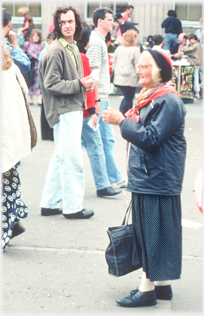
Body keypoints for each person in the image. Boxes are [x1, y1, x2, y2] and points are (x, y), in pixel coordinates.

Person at [102, 49, 186, 308]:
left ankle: (146, 289)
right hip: (152, 177)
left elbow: (151, 138)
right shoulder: (152, 96)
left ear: (158, 71)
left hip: (156, 179)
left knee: (151, 234)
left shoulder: (168, 100)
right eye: (137, 66)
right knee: (156, 233)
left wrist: (121, 122)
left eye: (144, 66)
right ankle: (162, 286)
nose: (138, 70)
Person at [38, 5, 94, 219]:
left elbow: (68, 82)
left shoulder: (70, 47)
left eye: (70, 21)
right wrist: (80, 84)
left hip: (69, 108)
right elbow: (51, 84)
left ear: (77, 23)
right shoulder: (57, 50)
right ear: (58, 25)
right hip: (64, 109)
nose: (67, 25)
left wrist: (82, 84)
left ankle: (49, 203)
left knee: (62, 157)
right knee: (72, 160)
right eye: (62, 22)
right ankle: (72, 207)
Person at [78, 23, 122, 197]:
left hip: (81, 108)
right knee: (97, 146)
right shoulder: (83, 57)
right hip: (86, 109)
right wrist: (95, 106)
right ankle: (103, 185)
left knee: (69, 151)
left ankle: (51, 199)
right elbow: (91, 81)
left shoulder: (73, 55)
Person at [86, 7, 127, 190]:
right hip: (100, 97)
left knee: (103, 140)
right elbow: (92, 72)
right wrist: (95, 101)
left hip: (101, 97)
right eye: (109, 20)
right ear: (100, 21)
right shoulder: (96, 42)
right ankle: (113, 178)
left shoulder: (98, 40)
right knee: (104, 140)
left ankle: (112, 177)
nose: (113, 22)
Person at [2, 43, 32, 252]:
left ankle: (9, 227)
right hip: (12, 140)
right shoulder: (11, 68)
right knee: (9, 185)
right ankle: (11, 222)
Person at [112, 29, 140, 114]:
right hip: (130, 78)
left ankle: (122, 114)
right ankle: (125, 115)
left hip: (119, 78)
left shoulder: (118, 49)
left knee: (126, 97)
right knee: (129, 98)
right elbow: (137, 65)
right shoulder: (135, 50)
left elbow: (114, 63)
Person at [2, 7, 30, 75]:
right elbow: (25, 65)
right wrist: (14, 43)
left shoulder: (27, 17)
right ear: (10, 24)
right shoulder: (4, 47)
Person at [38, 32, 55, 141]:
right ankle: (48, 134)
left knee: (45, 110)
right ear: (48, 40)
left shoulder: (46, 51)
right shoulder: (47, 52)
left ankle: (46, 134)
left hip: (44, 83)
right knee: (48, 110)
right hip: (47, 84)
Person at [23, 29, 44, 105]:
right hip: (30, 66)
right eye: (34, 35)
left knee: (39, 82)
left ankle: (39, 99)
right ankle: (31, 99)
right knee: (30, 81)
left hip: (38, 66)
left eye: (37, 36)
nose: (35, 37)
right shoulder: (27, 44)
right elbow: (24, 54)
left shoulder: (42, 46)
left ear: (39, 37)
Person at [178, 33, 202, 100]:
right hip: (197, 63)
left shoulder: (195, 45)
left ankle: (197, 94)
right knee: (196, 78)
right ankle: (197, 93)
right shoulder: (197, 45)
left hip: (195, 64)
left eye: (189, 40)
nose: (189, 41)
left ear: (193, 39)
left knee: (196, 78)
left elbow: (186, 50)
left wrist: (187, 44)